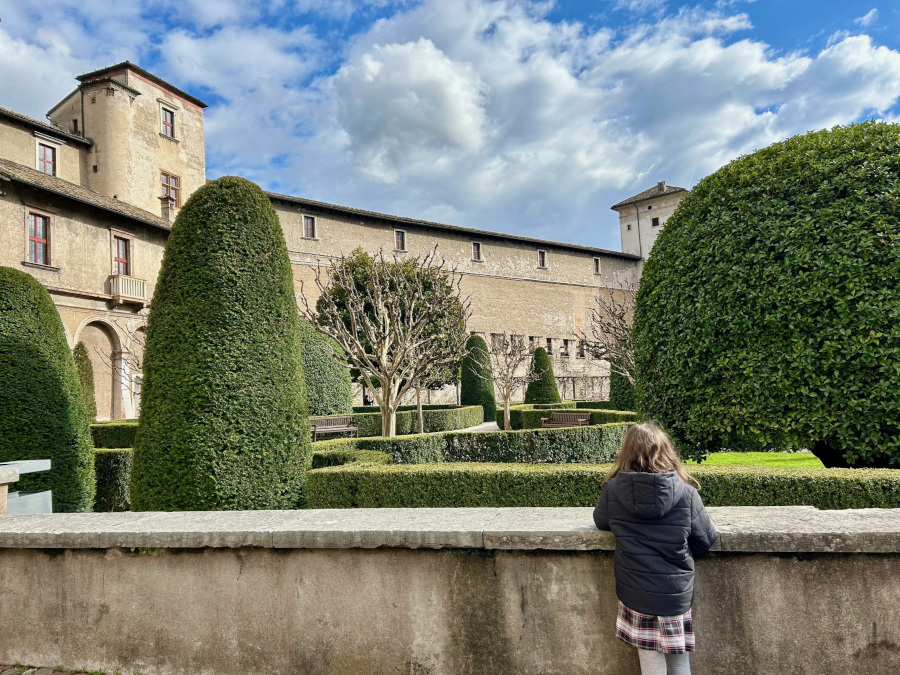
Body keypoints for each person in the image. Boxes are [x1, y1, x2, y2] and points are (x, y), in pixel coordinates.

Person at [593, 422, 718, 675]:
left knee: (650, 664)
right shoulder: (686, 493)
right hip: (675, 593)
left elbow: (601, 521)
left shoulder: (613, 491)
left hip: (636, 591)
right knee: (680, 663)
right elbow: (706, 539)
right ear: (665, 451)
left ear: (627, 452)